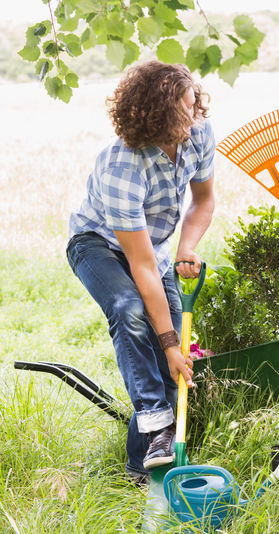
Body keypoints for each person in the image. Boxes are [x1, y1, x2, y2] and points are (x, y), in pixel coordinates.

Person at [66, 61, 215, 482]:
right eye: (186, 108)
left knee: (173, 365)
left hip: (157, 248)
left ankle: (138, 472)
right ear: (158, 114)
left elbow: (203, 200)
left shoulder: (199, 133)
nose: (195, 114)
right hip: (98, 245)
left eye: (195, 103)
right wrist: (167, 342)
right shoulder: (121, 165)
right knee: (131, 310)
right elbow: (141, 265)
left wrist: (187, 245)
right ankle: (154, 418)